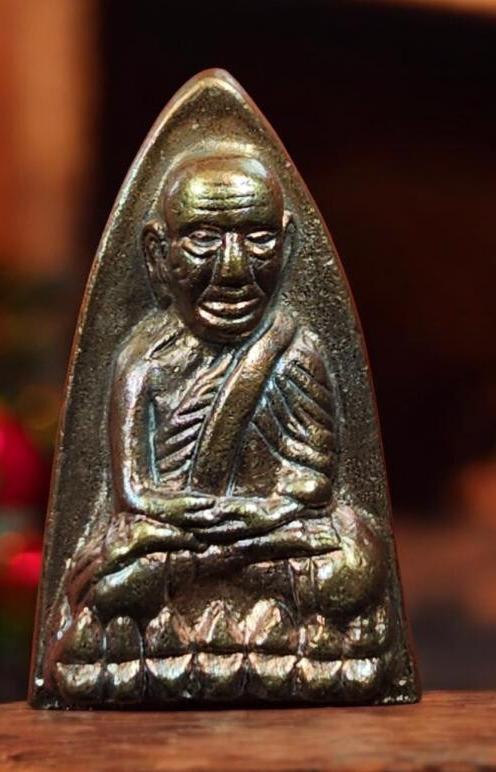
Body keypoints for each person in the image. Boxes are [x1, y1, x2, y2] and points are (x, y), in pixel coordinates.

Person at [47, 154, 391, 704]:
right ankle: (268, 636)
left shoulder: (294, 350)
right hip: (194, 537)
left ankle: (173, 637)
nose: (233, 270)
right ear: (158, 253)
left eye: (258, 240)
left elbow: (315, 483)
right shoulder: (144, 363)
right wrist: (223, 522)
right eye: (204, 239)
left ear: (287, 244)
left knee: (355, 564)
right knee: (112, 583)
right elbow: (135, 494)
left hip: (245, 538)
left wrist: (250, 520)